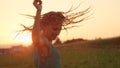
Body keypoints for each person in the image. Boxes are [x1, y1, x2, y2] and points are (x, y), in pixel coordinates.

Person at [20, 0, 91, 68]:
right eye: (55, 29)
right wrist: (38, 11)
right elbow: (36, 38)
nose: (57, 33)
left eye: (60, 29)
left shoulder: (46, 43)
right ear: (43, 27)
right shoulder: (44, 43)